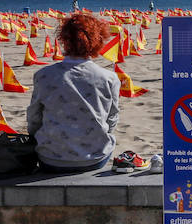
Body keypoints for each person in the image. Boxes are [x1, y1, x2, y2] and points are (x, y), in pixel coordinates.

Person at [26, 13, 121, 173]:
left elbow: (34, 119)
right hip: (94, 158)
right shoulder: (108, 78)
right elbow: (112, 119)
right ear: (98, 41)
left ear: (64, 40)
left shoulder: (43, 75)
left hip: (50, 158)